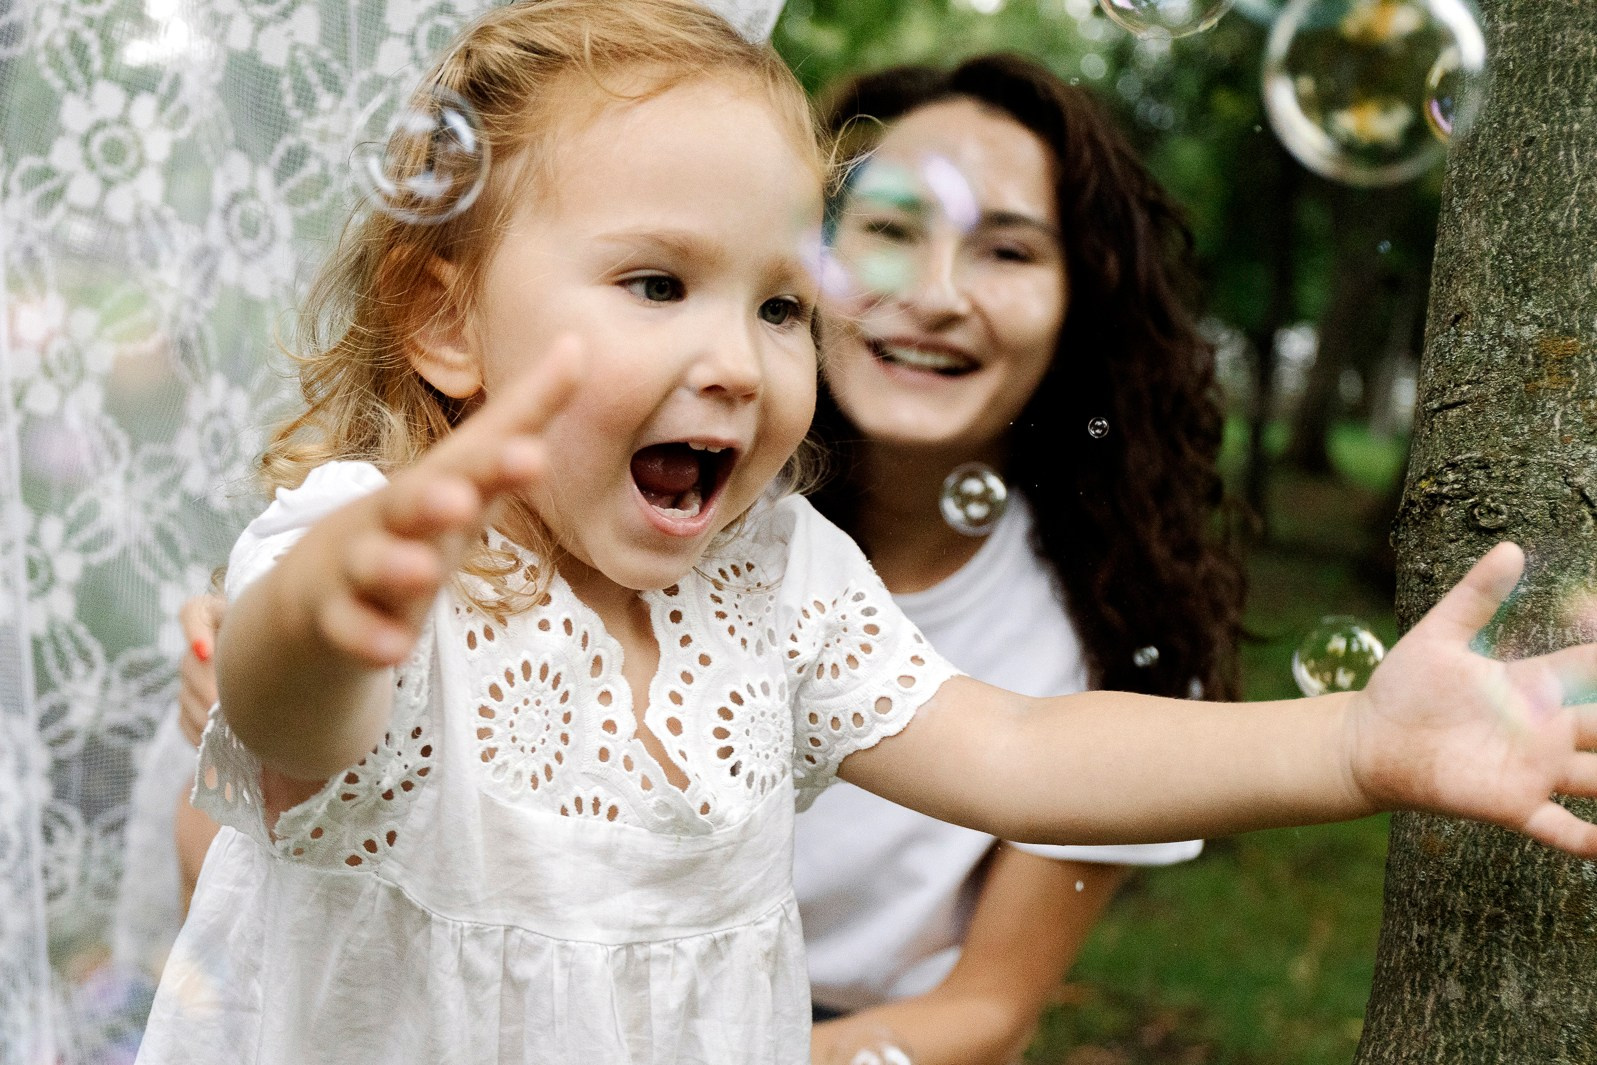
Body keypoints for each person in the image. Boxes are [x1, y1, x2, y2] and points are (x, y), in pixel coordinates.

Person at [136, 1, 1597, 1062]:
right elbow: (287, 713)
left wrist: (1351, 743)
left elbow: (1021, 749)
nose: (737, 356)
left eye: (780, 303)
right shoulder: (368, 555)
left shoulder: (774, 579)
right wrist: (338, 609)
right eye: (658, 283)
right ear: (443, 317)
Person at [796, 54, 1244, 1065]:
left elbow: (987, 1008)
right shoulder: (676, 510)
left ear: (1081, 302)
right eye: (891, 230)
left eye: (1005, 251)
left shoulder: (1120, 630)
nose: (937, 294)